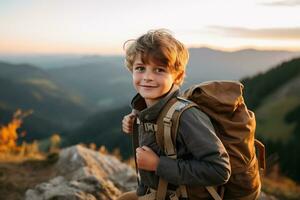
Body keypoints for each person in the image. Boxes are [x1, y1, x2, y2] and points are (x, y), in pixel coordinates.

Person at [118, 29, 231, 200]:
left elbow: (220, 170)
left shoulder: (187, 117)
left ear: (177, 76)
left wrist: (158, 164)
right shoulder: (147, 110)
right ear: (131, 70)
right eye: (140, 68)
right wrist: (134, 119)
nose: (147, 77)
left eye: (159, 70)